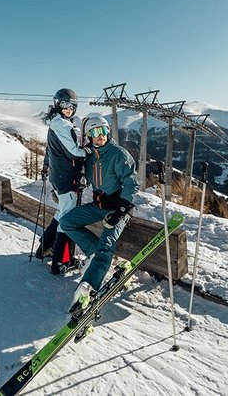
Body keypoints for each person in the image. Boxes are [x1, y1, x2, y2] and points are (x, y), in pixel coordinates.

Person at [58, 113, 140, 312]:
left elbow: (132, 182)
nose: (100, 135)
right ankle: (95, 255)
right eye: (94, 132)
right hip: (99, 206)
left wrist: (121, 209)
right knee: (66, 221)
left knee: (106, 244)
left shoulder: (118, 154)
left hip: (118, 208)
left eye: (103, 131)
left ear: (108, 132)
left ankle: (88, 288)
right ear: (89, 136)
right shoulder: (90, 157)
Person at [35, 88, 88, 273]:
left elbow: (50, 150)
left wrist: (46, 166)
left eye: (72, 106)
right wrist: (89, 152)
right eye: (65, 105)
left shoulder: (61, 123)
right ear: (57, 105)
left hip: (60, 176)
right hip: (66, 178)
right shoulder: (61, 125)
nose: (69, 109)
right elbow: (74, 151)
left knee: (62, 213)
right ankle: (61, 261)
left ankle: (44, 249)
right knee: (67, 218)